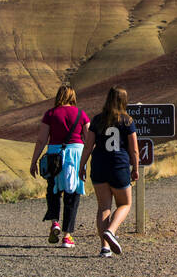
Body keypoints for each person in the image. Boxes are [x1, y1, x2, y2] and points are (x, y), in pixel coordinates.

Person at [78, 86, 140, 258]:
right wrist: (135, 168)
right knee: (125, 204)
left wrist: (81, 166)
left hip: (99, 166)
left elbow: (88, 146)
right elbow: (134, 149)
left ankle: (104, 248)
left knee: (104, 207)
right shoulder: (127, 121)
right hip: (119, 165)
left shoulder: (97, 120)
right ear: (123, 101)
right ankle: (111, 231)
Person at [29, 85, 90, 249]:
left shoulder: (50, 114)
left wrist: (34, 161)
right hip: (75, 155)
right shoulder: (81, 114)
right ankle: (67, 235)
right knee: (73, 193)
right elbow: (89, 138)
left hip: (54, 155)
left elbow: (41, 140)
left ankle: (55, 221)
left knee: (54, 189)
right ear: (73, 97)